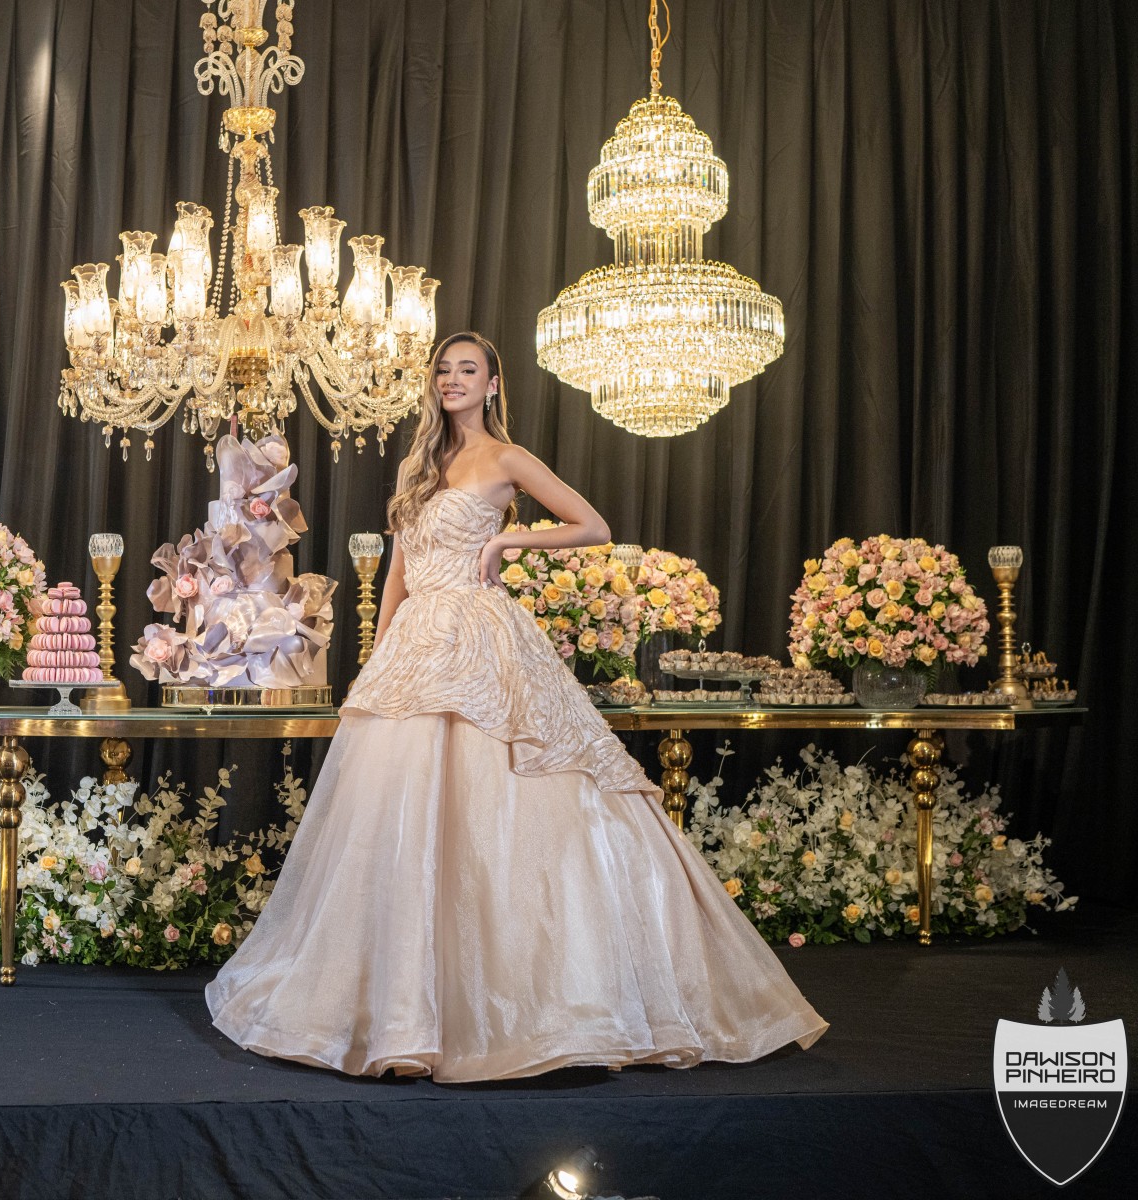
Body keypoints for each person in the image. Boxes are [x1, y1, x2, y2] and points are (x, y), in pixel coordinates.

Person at [205, 331, 828, 1082]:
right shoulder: (417, 465)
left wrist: (509, 545)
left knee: (506, 798)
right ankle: (399, 1007)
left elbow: (593, 526)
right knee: (398, 809)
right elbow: (398, 571)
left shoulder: (506, 458)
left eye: (467, 370)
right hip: (416, 644)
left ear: (493, 383)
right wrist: (375, 657)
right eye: (444, 370)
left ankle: (537, 1001)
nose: (452, 380)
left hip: (480, 634)